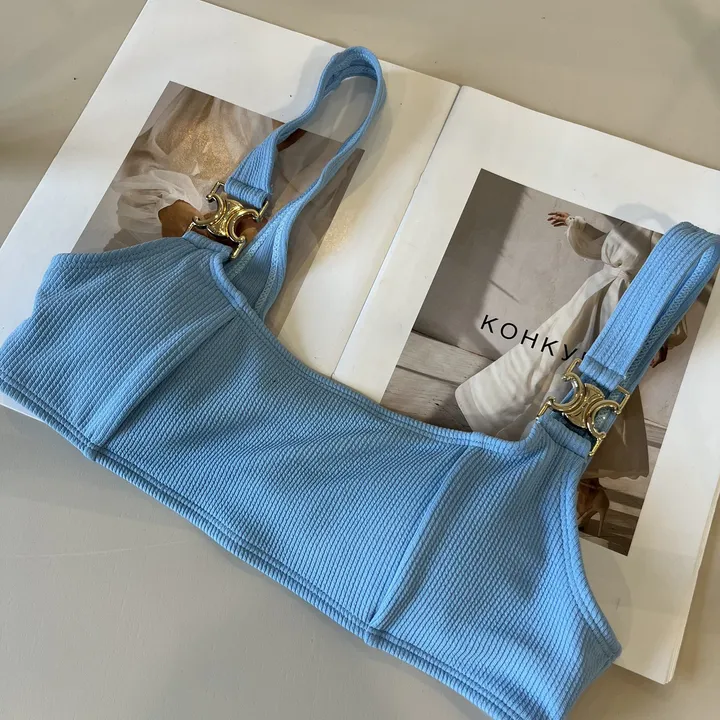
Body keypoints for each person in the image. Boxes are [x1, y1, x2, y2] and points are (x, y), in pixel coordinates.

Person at [455, 211, 687, 534]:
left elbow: (672, 292)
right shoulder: (638, 222)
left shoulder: (667, 236)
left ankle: (570, 482)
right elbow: (606, 247)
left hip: (620, 316)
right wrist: (576, 225)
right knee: (548, 367)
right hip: (592, 303)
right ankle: (579, 485)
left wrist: (661, 339)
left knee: (585, 389)